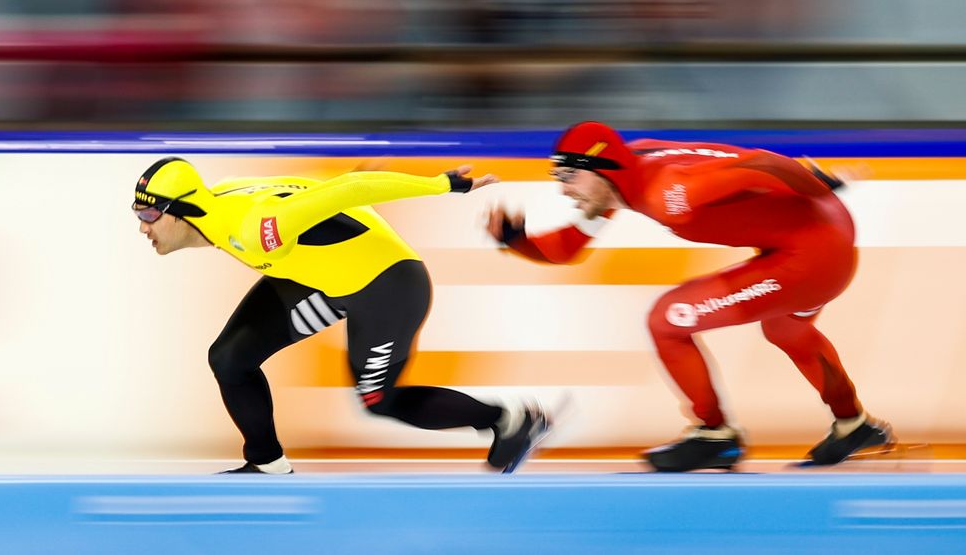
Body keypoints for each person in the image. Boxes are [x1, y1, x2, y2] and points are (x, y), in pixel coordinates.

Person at [485, 121, 892, 472]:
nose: (564, 190)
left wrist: (818, 182)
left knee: (669, 319)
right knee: (787, 332)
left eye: (569, 177)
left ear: (602, 170)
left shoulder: (671, 193)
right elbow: (569, 247)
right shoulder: (628, 170)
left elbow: (761, 165)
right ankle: (854, 426)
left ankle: (714, 435)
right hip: (817, 238)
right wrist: (516, 241)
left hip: (813, 252)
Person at [132, 157, 549, 474]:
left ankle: (509, 420)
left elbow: (353, 187)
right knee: (229, 359)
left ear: (179, 210)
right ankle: (267, 464)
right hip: (323, 277)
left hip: (387, 285)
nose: (143, 228)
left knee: (378, 400)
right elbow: (313, 193)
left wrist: (445, 185)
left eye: (149, 215)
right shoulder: (221, 199)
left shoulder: (253, 228)